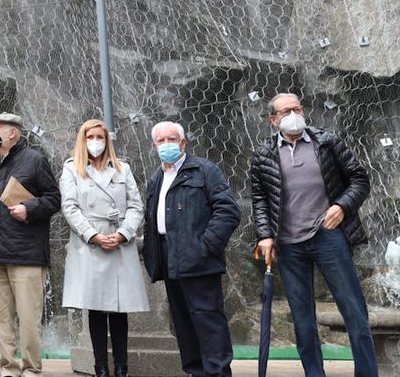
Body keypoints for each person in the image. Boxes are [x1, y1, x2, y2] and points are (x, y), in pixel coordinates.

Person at [251, 93, 376, 377]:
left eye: (296, 108)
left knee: (354, 312)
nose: (292, 114)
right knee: (302, 319)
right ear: (273, 119)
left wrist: (342, 206)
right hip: (288, 244)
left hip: (329, 237)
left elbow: (359, 178)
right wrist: (264, 235)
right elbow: (259, 197)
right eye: (285, 111)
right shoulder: (263, 154)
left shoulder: (327, 142)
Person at [142, 121, 240, 377]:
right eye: (161, 141)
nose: (166, 145)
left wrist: (204, 246)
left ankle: (217, 373)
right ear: (154, 146)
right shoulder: (156, 178)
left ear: (183, 143)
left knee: (208, 320)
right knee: (183, 323)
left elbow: (228, 211)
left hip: (199, 259)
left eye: (171, 139)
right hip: (168, 257)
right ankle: (195, 372)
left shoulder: (205, 170)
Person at [59, 119, 149, 377]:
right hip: (90, 245)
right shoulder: (71, 169)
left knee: (119, 309)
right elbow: (70, 207)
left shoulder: (122, 169)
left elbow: (136, 205)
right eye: (90, 137)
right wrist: (93, 235)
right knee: (96, 307)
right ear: (82, 140)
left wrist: (122, 234)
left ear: (107, 140)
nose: (95, 142)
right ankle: (100, 367)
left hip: (120, 242)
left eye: (100, 136)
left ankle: (122, 366)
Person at [0, 112, 61, 377]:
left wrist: (29, 208)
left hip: (27, 254)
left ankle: (32, 370)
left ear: (13, 132)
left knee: (29, 319)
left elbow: (54, 199)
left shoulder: (34, 160)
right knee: (0, 320)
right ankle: (9, 370)